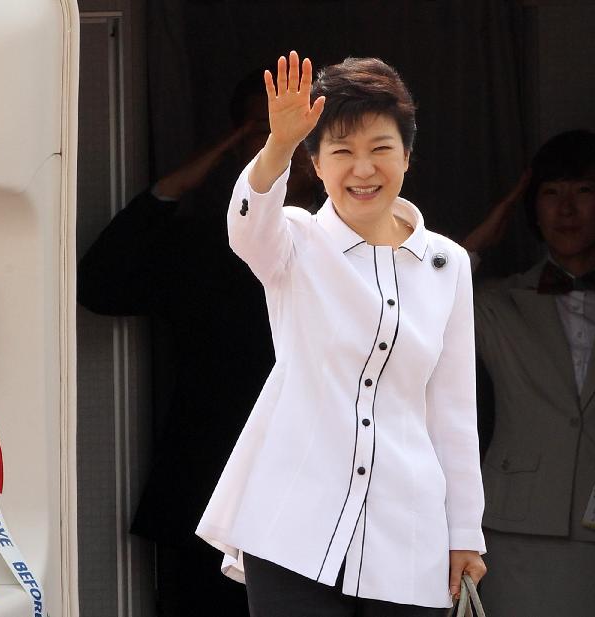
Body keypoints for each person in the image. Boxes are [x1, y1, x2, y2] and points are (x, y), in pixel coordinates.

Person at [195, 52, 487, 615]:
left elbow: (453, 411)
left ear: (406, 155)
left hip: (408, 534)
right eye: (342, 152)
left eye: (380, 149)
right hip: (292, 528)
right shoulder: (294, 241)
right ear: (317, 164)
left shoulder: (446, 263)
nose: (363, 169)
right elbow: (245, 226)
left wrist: (464, 532)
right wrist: (277, 144)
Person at [78, 72, 319, 617]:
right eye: (265, 131)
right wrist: (194, 174)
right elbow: (98, 284)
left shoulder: (354, 251)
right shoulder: (203, 248)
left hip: (317, 489)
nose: (284, 147)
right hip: (205, 487)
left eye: (297, 134)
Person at [463, 129, 595, 617]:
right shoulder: (495, 301)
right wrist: (485, 233)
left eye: (583, 191)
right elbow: (413, 306)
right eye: (551, 193)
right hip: (519, 526)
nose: (566, 210)